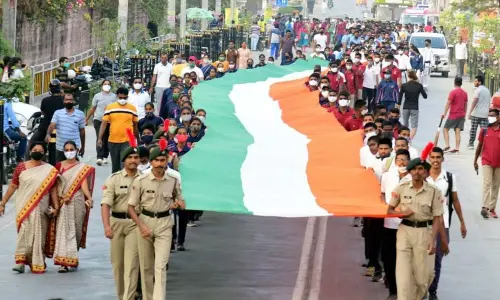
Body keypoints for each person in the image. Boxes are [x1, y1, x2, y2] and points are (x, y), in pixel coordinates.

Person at [386, 146, 448, 300]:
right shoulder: (401, 188)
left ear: (425, 171)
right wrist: (401, 213)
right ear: (409, 171)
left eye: (420, 169)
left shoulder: (434, 191)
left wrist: (435, 240)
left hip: (424, 233)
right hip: (405, 232)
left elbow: (437, 218)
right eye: (413, 169)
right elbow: (389, 210)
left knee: (423, 278)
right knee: (403, 276)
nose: (416, 172)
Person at [127, 140, 186, 300]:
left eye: (163, 160)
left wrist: (179, 203)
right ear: (151, 162)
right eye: (156, 160)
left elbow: (180, 200)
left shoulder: (173, 180)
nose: (160, 164)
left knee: (160, 266)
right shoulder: (140, 181)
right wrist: (141, 226)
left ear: (167, 160)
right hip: (145, 222)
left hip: (165, 224)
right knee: (146, 268)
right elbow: (131, 207)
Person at [0, 142, 60, 274]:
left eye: (40, 150)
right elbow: (13, 186)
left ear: (44, 153)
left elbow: (54, 190)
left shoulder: (50, 170)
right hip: (24, 207)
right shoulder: (21, 168)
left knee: (39, 235)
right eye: (34, 149)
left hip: (41, 208)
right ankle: (21, 262)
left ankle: (38, 261)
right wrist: (3, 202)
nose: (37, 151)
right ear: (30, 151)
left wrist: (56, 207)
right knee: (24, 233)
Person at [101, 132, 142, 300]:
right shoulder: (114, 179)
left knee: (132, 264)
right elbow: (106, 205)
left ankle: (129, 297)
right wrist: (107, 227)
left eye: (136, 157)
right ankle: (121, 296)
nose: (133, 160)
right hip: (116, 223)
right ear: (124, 160)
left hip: (135, 224)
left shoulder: (145, 178)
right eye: (130, 157)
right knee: (118, 265)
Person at [427, 147, 467, 300]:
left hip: (443, 225)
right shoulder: (423, 177)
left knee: (437, 258)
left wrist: (462, 222)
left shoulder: (449, 178)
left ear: (442, 159)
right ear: (430, 159)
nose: (436, 160)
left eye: (438, 157)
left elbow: (455, 200)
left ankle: (433, 291)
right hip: (425, 224)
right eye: (433, 157)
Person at [51, 141, 95, 273]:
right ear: (63, 151)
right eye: (67, 149)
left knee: (76, 231)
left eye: (71, 149)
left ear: (77, 150)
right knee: (64, 231)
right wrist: (60, 200)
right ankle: (63, 262)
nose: (69, 151)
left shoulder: (82, 168)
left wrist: (89, 198)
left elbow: (83, 185)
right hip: (64, 202)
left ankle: (72, 255)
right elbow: (55, 185)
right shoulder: (59, 166)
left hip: (78, 201)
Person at [381, 149, 412, 300]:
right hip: (389, 225)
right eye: (399, 160)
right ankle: (393, 290)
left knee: (406, 259)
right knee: (389, 258)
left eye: (405, 160)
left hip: (407, 226)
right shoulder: (386, 177)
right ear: (394, 162)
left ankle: (405, 291)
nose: (402, 162)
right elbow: (382, 196)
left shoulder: (414, 179)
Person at [98, 87, 139, 173]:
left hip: (127, 141)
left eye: (124, 98)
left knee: (125, 165)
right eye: (120, 98)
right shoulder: (110, 107)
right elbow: (104, 123)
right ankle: (115, 185)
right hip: (113, 140)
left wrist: (137, 139)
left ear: (127, 97)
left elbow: (135, 125)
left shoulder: (132, 108)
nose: (122, 99)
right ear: (117, 96)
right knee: (115, 167)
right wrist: (100, 138)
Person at [474, 109, 500, 219]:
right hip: (486, 161)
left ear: (498, 117)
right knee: (487, 182)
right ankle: (485, 207)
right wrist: (475, 160)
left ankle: (492, 208)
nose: (490, 117)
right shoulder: (484, 130)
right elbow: (479, 146)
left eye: (492, 115)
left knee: (496, 185)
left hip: (499, 163)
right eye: (489, 115)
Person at [45, 93, 86, 162]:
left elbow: (82, 131)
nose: (68, 101)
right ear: (63, 101)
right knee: (60, 168)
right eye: (66, 100)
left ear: (74, 101)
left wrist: (83, 147)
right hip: (60, 147)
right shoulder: (57, 113)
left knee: (72, 168)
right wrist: (48, 134)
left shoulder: (80, 114)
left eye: (70, 100)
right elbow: (52, 126)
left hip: (74, 147)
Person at [85, 80, 116, 166]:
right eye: (105, 84)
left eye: (108, 84)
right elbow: (93, 108)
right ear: (102, 86)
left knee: (107, 138)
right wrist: (86, 118)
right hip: (99, 119)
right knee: (100, 137)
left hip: (110, 120)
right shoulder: (97, 96)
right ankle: (99, 157)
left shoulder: (114, 97)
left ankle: (105, 156)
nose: (106, 85)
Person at [441, 77, 468, 153]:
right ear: (461, 83)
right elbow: (466, 104)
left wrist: (444, 113)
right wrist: (464, 114)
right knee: (457, 131)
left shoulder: (453, 92)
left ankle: (447, 145)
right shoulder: (465, 93)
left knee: (445, 128)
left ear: (454, 82)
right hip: (461, 115)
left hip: (453, 114)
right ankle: (457, 148)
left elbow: (448, 103)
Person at [398, 70, 427, 140]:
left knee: (405, 124)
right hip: (414, 107)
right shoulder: (419, 86)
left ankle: (404, 138)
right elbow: (425, 96)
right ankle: (409, 139)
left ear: (408, 76)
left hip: (405, 107)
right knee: (414, 126)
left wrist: (398, 107)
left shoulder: (404, 86)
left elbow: (400, 98)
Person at [467, 75, 491, 149]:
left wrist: (470, 112)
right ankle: (484, 144)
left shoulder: (478, 90)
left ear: (479, 82)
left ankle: (471, 144)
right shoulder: (487, 90)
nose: (474, 82)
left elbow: (475, 101)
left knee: (473, 129)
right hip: (485, 114)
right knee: (484, 130)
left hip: (476, 113)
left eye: (475, 81)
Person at [3, 96, 28, 161]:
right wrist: (19, 131)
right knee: (24, 138)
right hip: (5, 130)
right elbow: (13, 118)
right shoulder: (6, 101)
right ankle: (20, 158)